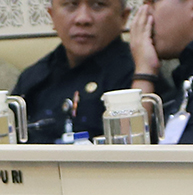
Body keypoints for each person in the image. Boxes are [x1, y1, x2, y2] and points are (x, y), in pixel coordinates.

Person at [12, 0, 133, 144]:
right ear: (52, 16)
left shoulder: (139, 74)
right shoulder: (34, 77)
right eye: (71, 5)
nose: (82, 19)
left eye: (98, 5)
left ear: (123, 17)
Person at [129, 0, 193, 144]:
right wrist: (144, 72)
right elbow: (128, 149)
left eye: (153, 2)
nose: (144, 12)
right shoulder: (187, 71)